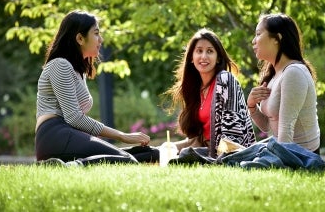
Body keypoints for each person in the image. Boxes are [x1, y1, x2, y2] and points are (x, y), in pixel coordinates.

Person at [35, 10, 159, 166]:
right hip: (54, 136)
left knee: (149, 154)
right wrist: (122, 136)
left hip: (68, 134)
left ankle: (72, 164)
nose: (101, 39)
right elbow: (74, 117)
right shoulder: (60, 64)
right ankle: (71, 166)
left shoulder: (78, 70)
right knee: (127, 161)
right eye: (96, 34)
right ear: (80, 38)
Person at [165, 28, 256, 158]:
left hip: (230, 155)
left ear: (218, 58)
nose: (203, 56)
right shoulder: (196, 88)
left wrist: (216, 159)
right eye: (199, 51)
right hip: (205, 150)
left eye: (210, 51)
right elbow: (200, 138)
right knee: (157, 151)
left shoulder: (226, 80)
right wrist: (172, 147)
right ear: (191, 57)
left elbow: (233, 137)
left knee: (185, 155)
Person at [247, 13, 321, 154]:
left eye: (258, 34)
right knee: (234, 155)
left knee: (241, 160)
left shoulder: (294, 72)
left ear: (277, 38)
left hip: (302, 156)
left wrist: (278, 161)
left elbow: (286, 127)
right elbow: (268, 126)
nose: (253, 41)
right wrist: (251, 105)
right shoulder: (274, 75)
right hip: (282, 148)